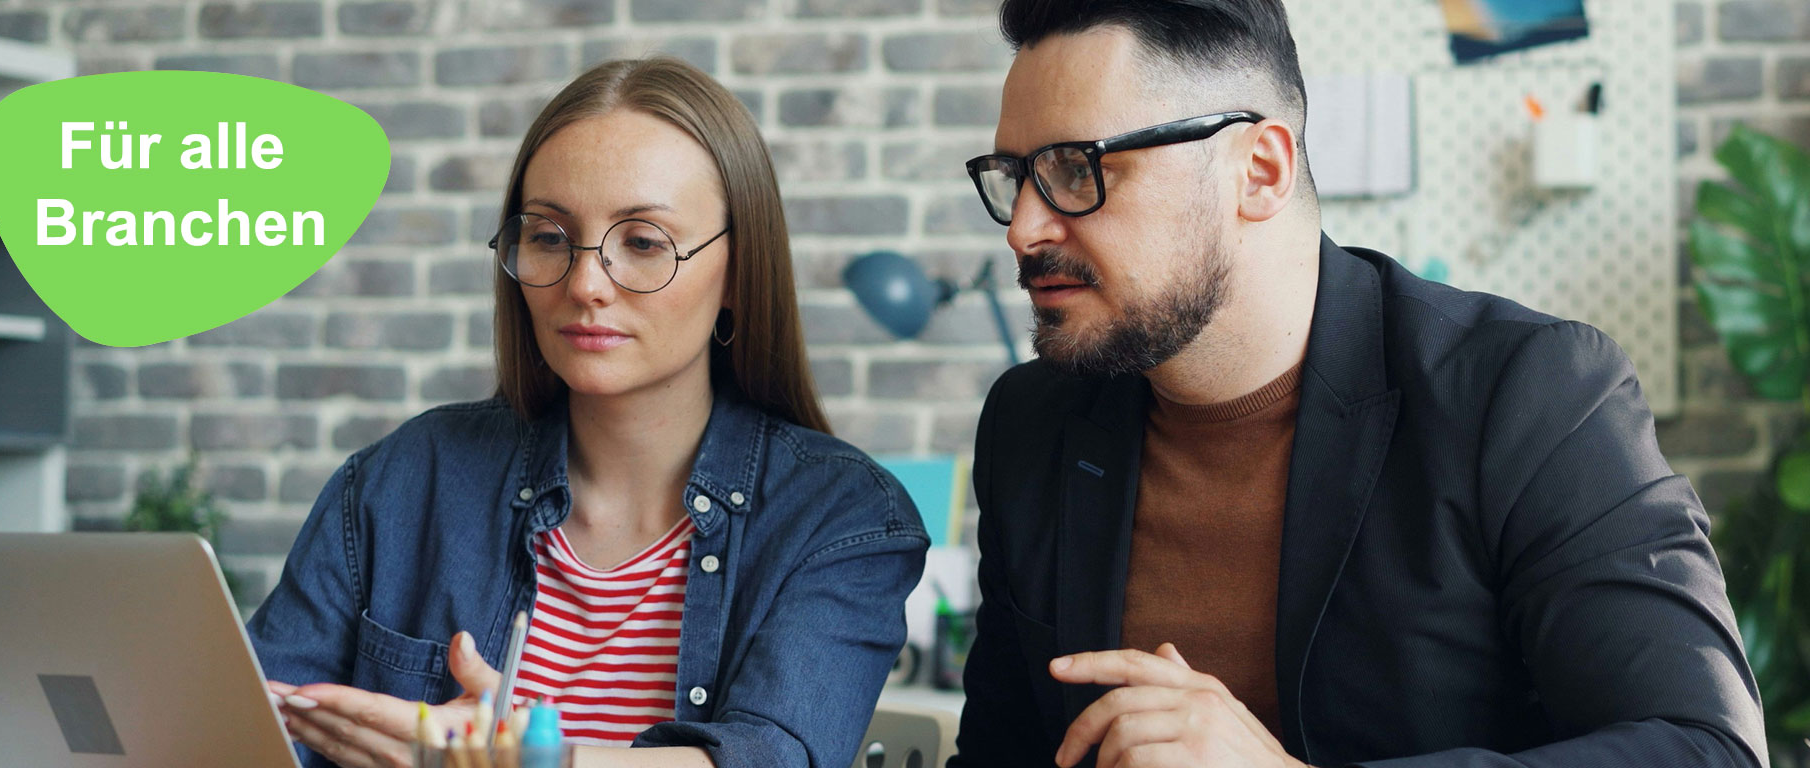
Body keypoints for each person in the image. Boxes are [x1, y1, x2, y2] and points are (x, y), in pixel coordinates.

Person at [948, 2, 1767, 767]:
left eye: (1075, 168)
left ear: (1259, 171)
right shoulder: (1032, 423)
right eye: (1014, 174)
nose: (1024, 225)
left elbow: (1706, 748)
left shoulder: (1531, 394)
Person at [247, 57, 929, 768]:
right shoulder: (402, 479)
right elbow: (247, 724)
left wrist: (522, 759)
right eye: (547, 237)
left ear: (737, 272)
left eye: (642, 243)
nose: (585, 284)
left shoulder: (843, 517)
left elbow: (769, 756)